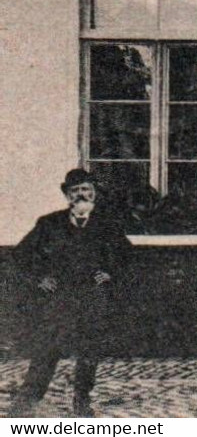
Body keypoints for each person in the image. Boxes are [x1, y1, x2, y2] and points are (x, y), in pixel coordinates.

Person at [8, 169, 133, 418]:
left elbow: (127, 257)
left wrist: (110, 274)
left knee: (89, 350)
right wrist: (39, 279)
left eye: (86, 190)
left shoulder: (108, 224)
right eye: (75, 191)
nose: (81, 195)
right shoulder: (49, 223)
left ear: (94, 194)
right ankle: (28, 399)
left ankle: (82, 400)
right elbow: (20, 256)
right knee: (48, 347)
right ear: (67, 196)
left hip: (92, 295)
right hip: (59, 297)